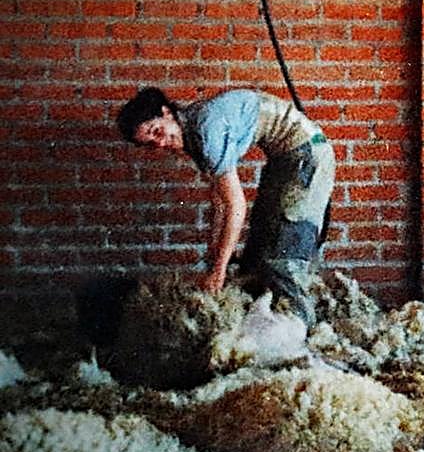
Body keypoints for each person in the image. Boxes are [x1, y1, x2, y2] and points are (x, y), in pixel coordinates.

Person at [117, 87, 335, 328]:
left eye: (156, 131)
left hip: (308, 153)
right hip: (286, 157)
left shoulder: (204, 130)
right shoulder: (191, 132)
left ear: (166, 112)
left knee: (282, 254)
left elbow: (236, 205)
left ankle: (300, 329)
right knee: (258, 248)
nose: (160, 143)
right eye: (150, 144)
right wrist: (215, 251)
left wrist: (219, 271)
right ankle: (267, 323)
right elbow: (219, 200)